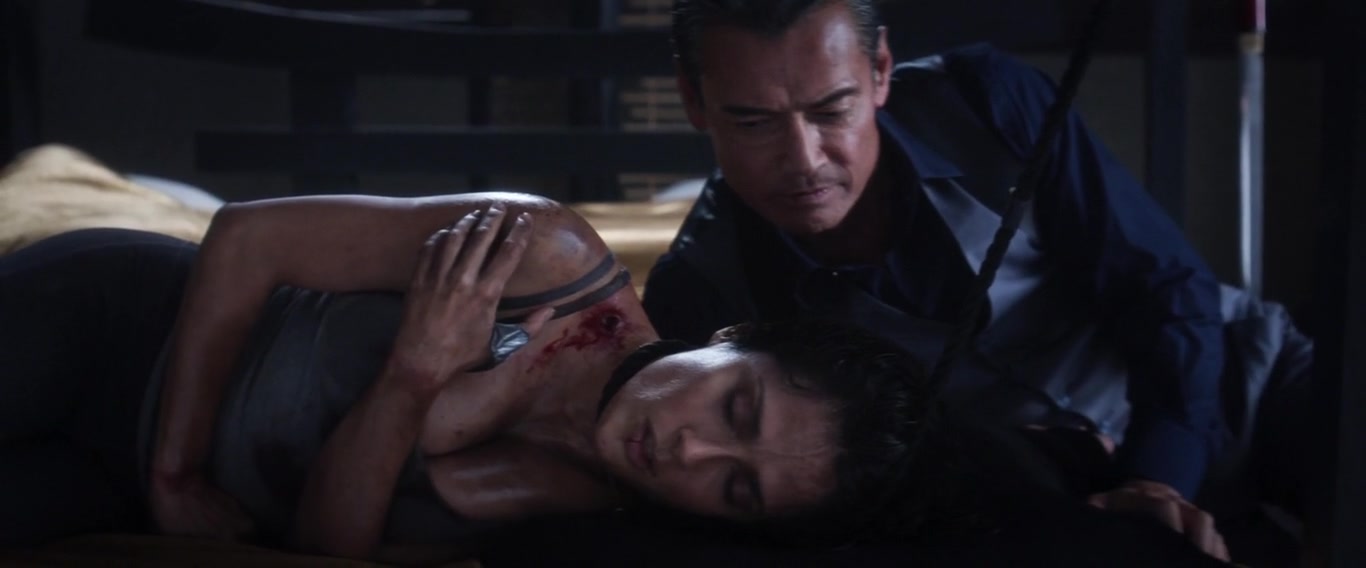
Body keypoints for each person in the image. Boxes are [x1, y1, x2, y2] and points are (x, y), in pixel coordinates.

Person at [643, 0, 1313, 561]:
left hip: (1239, 384)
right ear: (694, 100)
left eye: (831, 111)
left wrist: (1158, 480)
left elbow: (1163, 288)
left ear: (880, 71)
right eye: (753, 122)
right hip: (1052, 507)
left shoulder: (985, 102)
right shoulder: (704, 289)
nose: (804, 160)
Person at [0, 191, 997, 562]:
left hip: (110, 476)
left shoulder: (578, 504)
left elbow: (325, 544)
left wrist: (415, 374)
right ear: (734, 336)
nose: (690, 448)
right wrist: (176, 472)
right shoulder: (549, 258)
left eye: (735, 487)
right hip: (116, 324)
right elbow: (246, 234)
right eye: (735, 404)